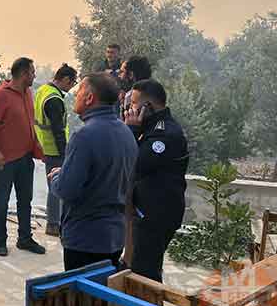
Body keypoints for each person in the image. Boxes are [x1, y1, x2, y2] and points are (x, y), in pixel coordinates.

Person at [48, 73, 138, 271]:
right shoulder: (126, 133)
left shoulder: (84, 136)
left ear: (89, 98)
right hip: (114, 237)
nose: (75, 94)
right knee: (102, 289)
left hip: (84, 239)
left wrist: (56, 177)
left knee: (82, 291)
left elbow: (67, 190)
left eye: (80, 90)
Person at [123, 79, 189, 283]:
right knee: (143, 268)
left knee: (144, 274)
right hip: (149, 211)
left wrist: (131, 131)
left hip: (156, 215)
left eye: (134, 104)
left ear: (148, 106)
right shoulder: (153, 128)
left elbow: (134, 164)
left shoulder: (164, 134)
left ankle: (149, 305)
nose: (129, 110)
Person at [0, 57, 46, 257]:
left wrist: (37, 146)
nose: (34, 75)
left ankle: (25, 238)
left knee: (25, 199)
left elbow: (29, 123)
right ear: (23, 74)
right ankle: (0, 241)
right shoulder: (0, 95)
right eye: (32, 72)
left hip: (25, 158)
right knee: (2, 199)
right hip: (6, 159)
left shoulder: (27, 93)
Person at [34, 63, 78, 237]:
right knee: (56, 187)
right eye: (72, 82)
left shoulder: (43, 90)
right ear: (66, 79)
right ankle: (53, 224)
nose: (72, 87)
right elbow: (58, 130)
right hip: (54, 149)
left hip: (44, 146)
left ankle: (53, 222)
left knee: (53, 185)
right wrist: (65, 153)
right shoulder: (54, 99)